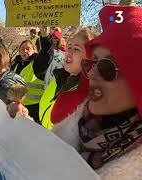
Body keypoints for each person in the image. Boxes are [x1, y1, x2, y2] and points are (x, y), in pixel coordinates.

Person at [54, 5, 142, 179]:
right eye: (92, 63)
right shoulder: (69, 129)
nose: (92, 74)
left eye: (107, 68)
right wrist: (18, 125)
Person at [39, 28, 96, 130]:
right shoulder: (59, 78)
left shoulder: (89, 96)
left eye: (76, 49)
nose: (69, 52)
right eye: (69, 47)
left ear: (91, 57)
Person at [10, 26, 53, 122]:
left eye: (28, 48)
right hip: (17, 107)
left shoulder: (37, 64)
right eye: (22, 49)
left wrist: (45, 37)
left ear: (34, 50)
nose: (24, 51)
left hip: (34, 109)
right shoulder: (15, 65)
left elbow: (46, 54)